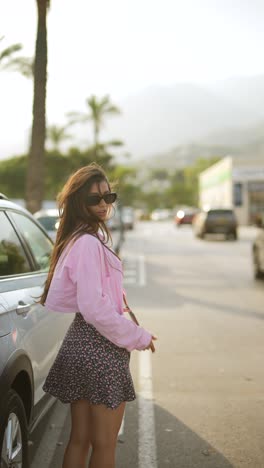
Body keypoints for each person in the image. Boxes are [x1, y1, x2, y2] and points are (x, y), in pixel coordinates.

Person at [40, 163, 156, 468]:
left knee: (80, 438)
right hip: (99, 350)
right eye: (95, 199)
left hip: (80, 344)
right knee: (104, 445)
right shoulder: (89, 243)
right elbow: (94, 308)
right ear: (80, 202)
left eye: (109, 196)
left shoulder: (79, 239)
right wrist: (137, 336)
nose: (104, 204)